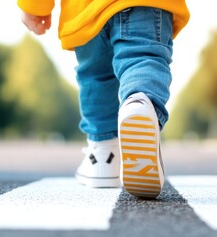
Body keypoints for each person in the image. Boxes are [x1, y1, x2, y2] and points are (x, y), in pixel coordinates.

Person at [18, 0, 190, 198]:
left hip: (84, 10)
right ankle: (139, 104)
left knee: (96, 78)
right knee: (142, 58)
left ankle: (102, 154)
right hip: (146, 5)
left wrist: (34, 6)